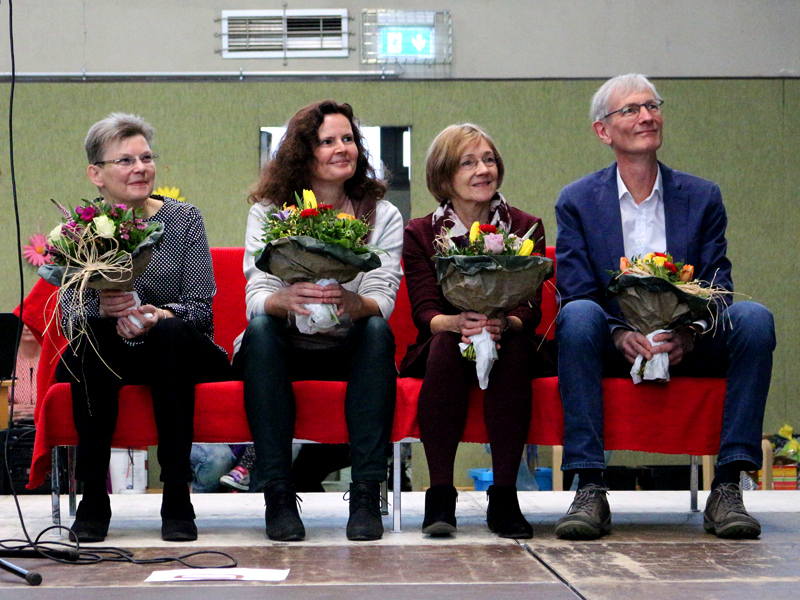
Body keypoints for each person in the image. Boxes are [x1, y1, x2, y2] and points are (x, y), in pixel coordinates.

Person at [554, 74, 776, 540]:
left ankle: (728, 486)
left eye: (652, 106)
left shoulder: (702, 196)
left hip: (686, 340)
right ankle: (590, 487)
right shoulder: (577, 201)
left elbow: (718, 285)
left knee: (754, 320)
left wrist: (689, 335)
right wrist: (618, 333)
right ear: (603, 130)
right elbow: (575, 289)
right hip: (613, 342)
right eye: (631, 109)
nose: (647, 116)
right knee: (576, 316)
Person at [232, 100, 403, 542]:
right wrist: (284, 299)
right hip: (284, 348)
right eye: (328, 141)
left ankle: (366, 495)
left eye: (348, 139)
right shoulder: (269, 211)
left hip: (346, 349)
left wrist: (353, 303)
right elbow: (256, 296)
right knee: (260, 329)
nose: (342, 148)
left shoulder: (381, 214)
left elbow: (383, 297)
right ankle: (278, 494)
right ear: (303, 153)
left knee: (377, 331)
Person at [57, 113, 232, 543]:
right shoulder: (80, 231)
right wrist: (103, 308)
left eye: (146, 158)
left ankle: (177, 495)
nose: (140, 168)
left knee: (168, 334)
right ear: (96, 174)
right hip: (112, 353)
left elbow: (201, 311)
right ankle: (93, 497)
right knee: (91, 339)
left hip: (178, 350)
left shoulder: (183, 219)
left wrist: (158, 315)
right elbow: (69, 318)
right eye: (126, 160)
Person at [400, 124, 550, 539]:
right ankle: (440, 495)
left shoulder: (526, 227)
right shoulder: (420, 233)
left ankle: (504, 496)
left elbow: (530, 307)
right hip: (445, 340)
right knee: (445, 344)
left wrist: (505, 323)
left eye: (488, 160)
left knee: (514, 345)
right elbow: (424, 310)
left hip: (508, 338)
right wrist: (457, 323)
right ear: (444, 176)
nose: (484, 170)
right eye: (469, 163)